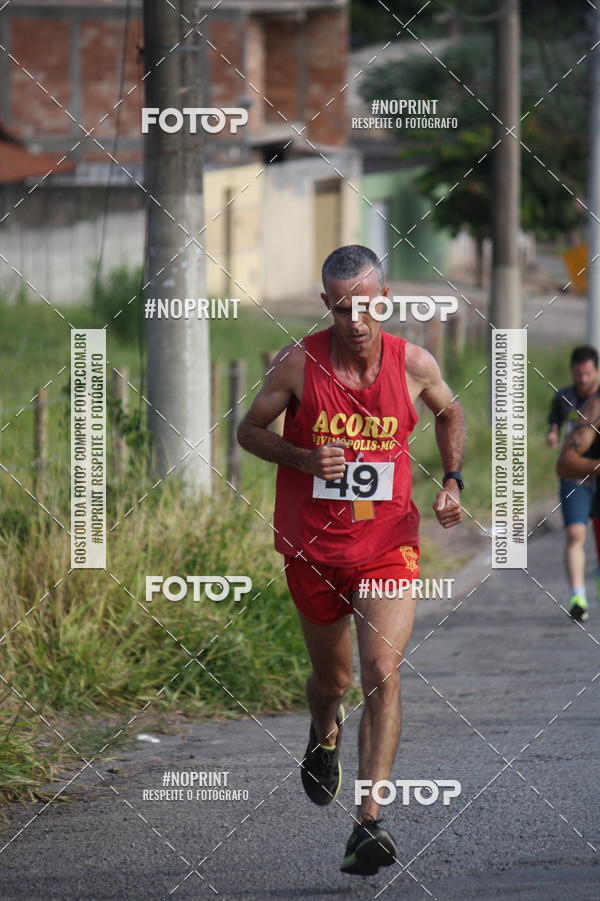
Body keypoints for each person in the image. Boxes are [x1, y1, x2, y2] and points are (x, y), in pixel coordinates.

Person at [237, 245, 465, 876]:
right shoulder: (297, 365)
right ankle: (323, 730)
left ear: (383, 301)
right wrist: (305, 459)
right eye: (342, 309)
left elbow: (450, 411)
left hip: (388, 543)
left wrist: (452, 481)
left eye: (365, 306)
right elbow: (248, 431)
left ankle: (369, 821)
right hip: (314, 548)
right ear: (326, 306)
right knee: (332, 682)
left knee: (382, 670)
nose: (355, 321)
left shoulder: (414, 363)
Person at [547, 346, 600, 621]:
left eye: (587, 374)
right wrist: (552, 434)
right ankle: (578, 596)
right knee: (576, 534)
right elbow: (554, 423)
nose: (582, 379)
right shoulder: (567, 398)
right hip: (577, 475)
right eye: (578, 374)